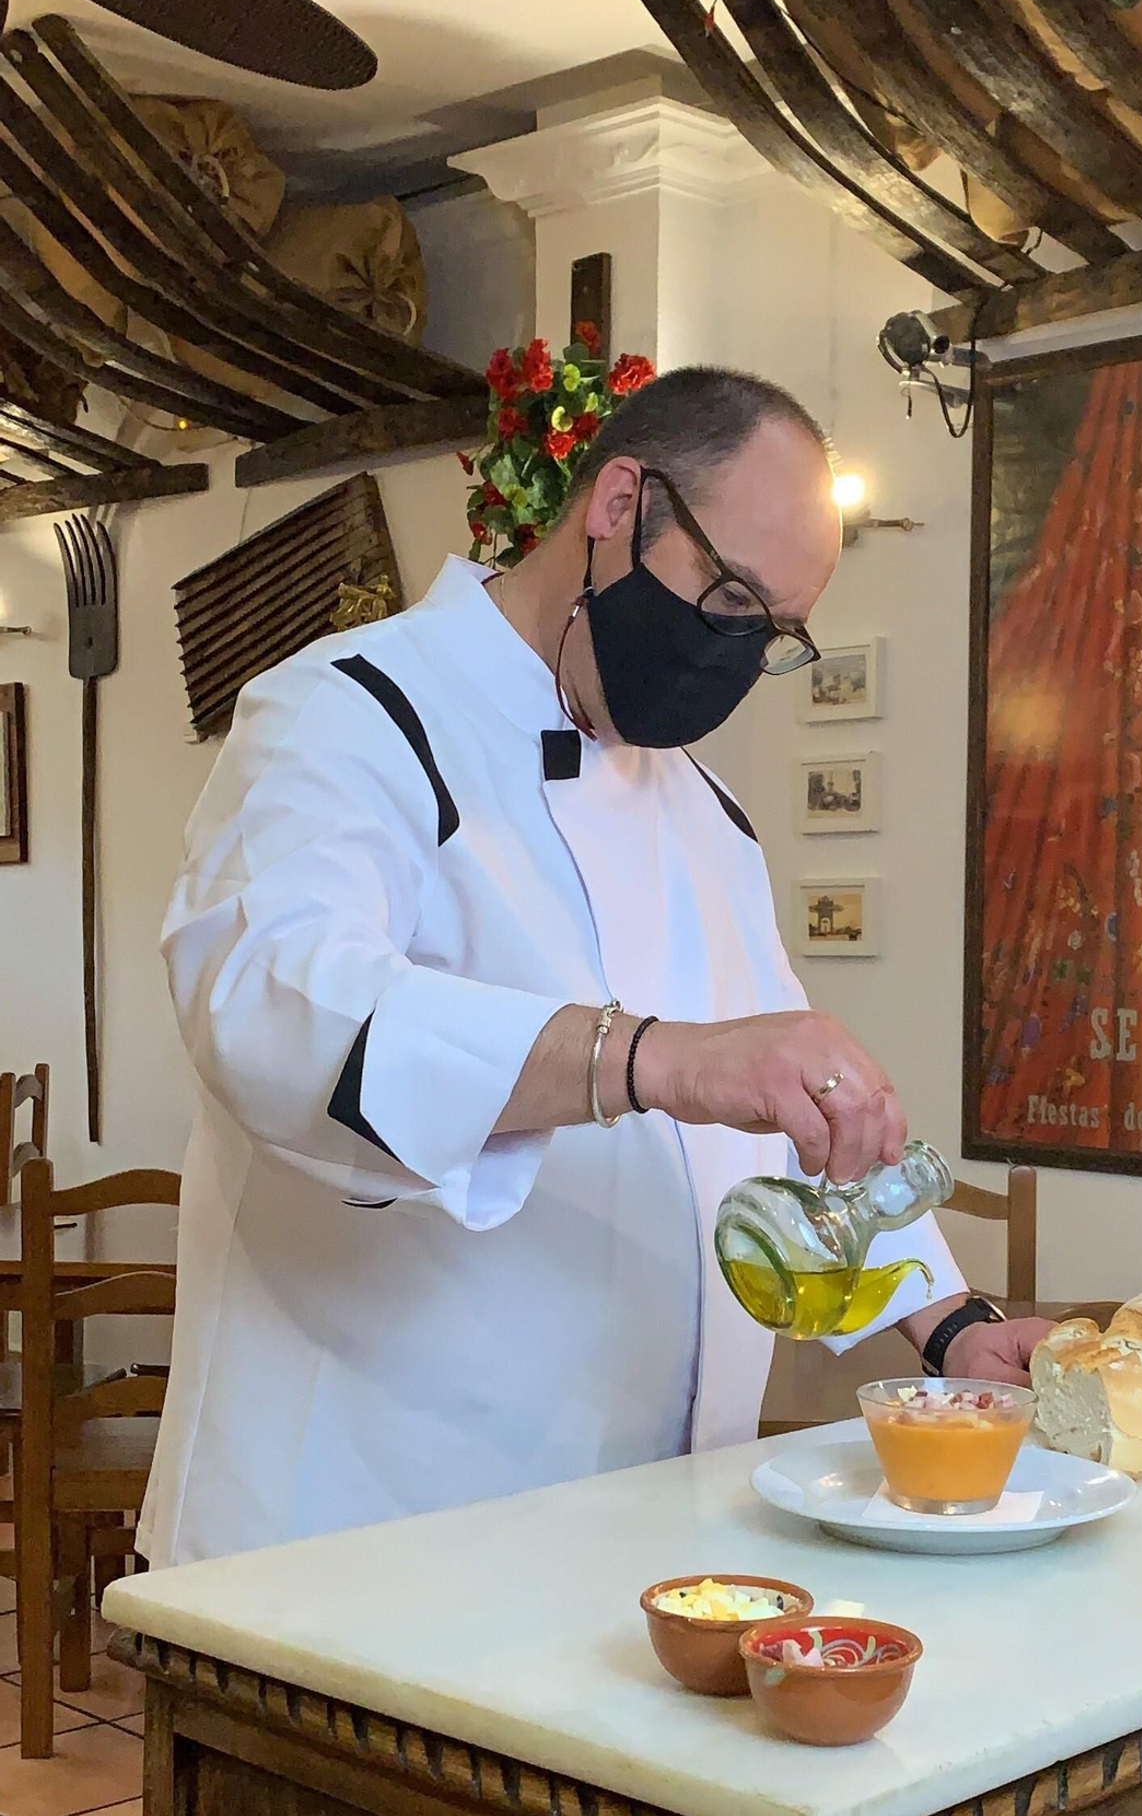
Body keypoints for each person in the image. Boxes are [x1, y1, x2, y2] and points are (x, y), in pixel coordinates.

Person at [139, 365, 1051, 1567]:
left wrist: (949, 1325)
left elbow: (792, 1116)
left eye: (771, 632)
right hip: (362, 1528)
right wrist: (646, 1058)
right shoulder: (349, 712)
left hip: (644, 1535)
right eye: (725, 596)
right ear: (619, 501)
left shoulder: (709, 813)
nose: (734, 653)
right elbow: (271, 1010)